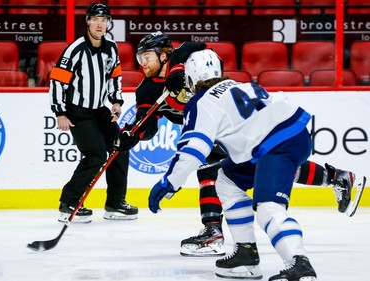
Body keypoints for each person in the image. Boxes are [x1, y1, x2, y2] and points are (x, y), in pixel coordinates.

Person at [115, 31, 365, 257]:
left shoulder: (186, 59)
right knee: (227, 170)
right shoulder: (146, 90)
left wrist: (176, 72)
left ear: (164, 54)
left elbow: (198, 45)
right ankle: (336, 178)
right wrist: (132, 136)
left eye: (146, 56)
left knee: (262, 164)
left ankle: (214, 233)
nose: (142, 63)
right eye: (139, 58)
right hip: (206, 130)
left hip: (227, 121)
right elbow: (146, 127)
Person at [147, 48, 320, 280]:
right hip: (289, 133)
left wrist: (169, 182)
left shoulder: (201, 100)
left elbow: (194, 149)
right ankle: (246, 254)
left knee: (268, 207)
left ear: (190, 78)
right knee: (227, 180)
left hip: (277, 143)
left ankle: (300, 265)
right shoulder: (239, 84)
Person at [48, 2, 137, 223]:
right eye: (96, 19)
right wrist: (60, 112)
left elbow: (114, 75)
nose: (100, 24)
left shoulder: (111, 46)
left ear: (108, 23)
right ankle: (69, 203)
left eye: (104, 19)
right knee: (96, 155)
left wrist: (116, 101)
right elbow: (57, 81)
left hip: (100, 110)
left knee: (120, 147)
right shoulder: (75, 49)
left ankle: (115, 203)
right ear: (87, 21)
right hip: (78, 112)